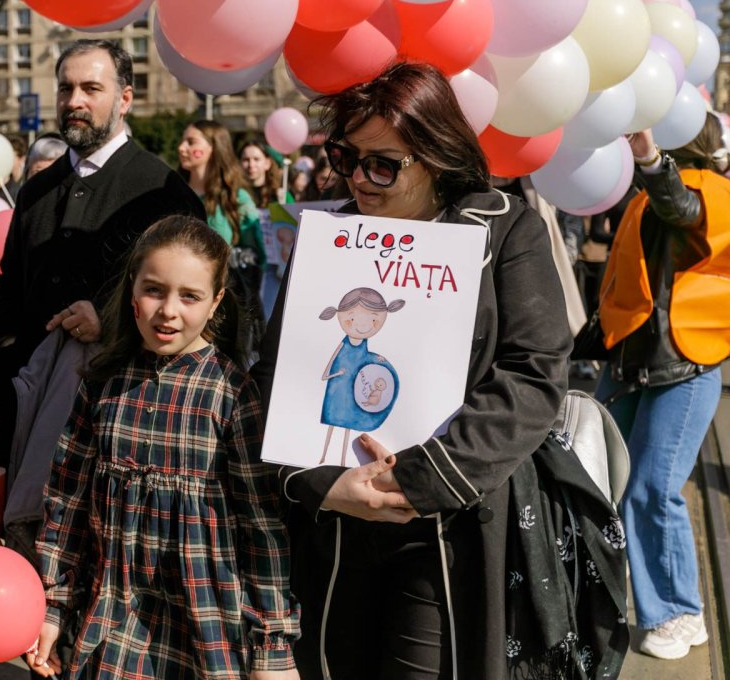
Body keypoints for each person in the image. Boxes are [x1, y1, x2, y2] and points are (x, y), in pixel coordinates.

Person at [253, 62, 625, 678]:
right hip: (338, 524)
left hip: (454, 527)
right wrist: (319, 483)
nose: (359, 179)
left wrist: (421, 480)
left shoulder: (503, 227)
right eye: (347, 158)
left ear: (435, 156)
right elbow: (275, 372)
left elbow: (532, 375)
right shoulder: (330, 236)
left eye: (383, 164)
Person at [27, 215, 300, 680]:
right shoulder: (103, 385)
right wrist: (53, 606)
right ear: (132, 291)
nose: (168, 310)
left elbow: (263, 528)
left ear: (216, 303)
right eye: (154, 289)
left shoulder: (233, 395)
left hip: (206, 629)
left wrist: (272, 646)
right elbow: (66, 502)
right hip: (111, 622)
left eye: (189, 296)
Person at [0, 39, 204, 472]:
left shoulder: (162, 191)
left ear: (124, 99)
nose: (74, 102)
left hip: (124, 431)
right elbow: (9, 287)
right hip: (28, 417)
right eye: (65, 89)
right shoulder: (36, 191)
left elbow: (200, 310)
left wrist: (111, 319)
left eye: (90, 88)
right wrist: (6, 357)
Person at [596, 115, 730, 660]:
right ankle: (650, 603)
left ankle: (678, 612)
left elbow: (684, 209)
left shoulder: (711, 191)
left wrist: (652, 161)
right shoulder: (641, 197)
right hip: (636, 364)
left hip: (687, 367)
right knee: (608, 482)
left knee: (652, 488)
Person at [178, 120, 266, 359]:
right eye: (182, 141)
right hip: (178, 305)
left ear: (214, 148)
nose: (181, 148)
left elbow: (257, 254)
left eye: (191, 142)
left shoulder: (236, 200)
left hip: (221, 309)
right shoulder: (173, 194)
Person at [238, 138, 293, 320]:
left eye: (256, 159)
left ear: (267, 163)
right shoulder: (234, 196)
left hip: (274, 270)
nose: (250, 165)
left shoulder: (281, 194)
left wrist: (283, 205)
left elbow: (294, 228)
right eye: (246, 160)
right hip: (243, 268)